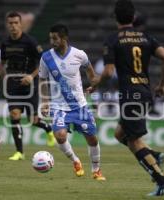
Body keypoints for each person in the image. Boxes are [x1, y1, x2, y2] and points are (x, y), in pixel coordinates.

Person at [89, 0, 164, 195]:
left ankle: (162, 182)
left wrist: (96, 82)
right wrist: (162, 85)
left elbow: (109, 72)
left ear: (115, 18)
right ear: (133, 17)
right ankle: (153, 155)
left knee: (134, 141)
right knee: (120, 134)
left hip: (130, 94)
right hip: (144, 92)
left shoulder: (113, 39)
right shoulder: (146, 37)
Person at [39, 24, 106, 181]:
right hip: (58, 106)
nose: (52, 41)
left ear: (64, 38)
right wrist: (44, 101)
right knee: (60, 136)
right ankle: (75, 161)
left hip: (79, 106)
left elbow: (91, 73)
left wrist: (94, 85)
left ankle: (96, 170)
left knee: (92, 139)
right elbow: (42, 80)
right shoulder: (46, 57)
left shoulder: (79, 55)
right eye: (50, 38)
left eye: (55, 38)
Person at [0, 11, 56, 161]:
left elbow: (43, 63)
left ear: (20, 24)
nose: (13, 26)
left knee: (32, 120)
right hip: (13, 85)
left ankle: (48, 129)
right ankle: (19, 152)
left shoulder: (30, 42)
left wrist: (31, 76)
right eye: (10, 23)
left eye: (16, 23)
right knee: (14, 115)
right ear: (7, 25)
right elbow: (3, 62)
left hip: (30, 85)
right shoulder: (5, 43)